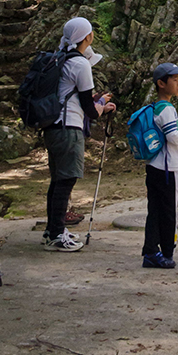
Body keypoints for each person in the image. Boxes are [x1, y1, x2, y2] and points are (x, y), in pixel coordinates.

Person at [42, 16, 115, 252]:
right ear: (88, 37)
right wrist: (102, 104)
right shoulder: (81, 64)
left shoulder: (59, 59)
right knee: (66, 180)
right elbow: (89, 110)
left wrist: (96, 103)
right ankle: (55, 234)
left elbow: (72, 95)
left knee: (58, 180)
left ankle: (53, 230)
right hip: (68, 128)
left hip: (52, 126)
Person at [141, 62, 178, 269]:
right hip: (168, 169)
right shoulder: (167, 109)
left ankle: (151, 251)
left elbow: (168, 135)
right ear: (161, 83)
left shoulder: (157, 107)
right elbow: (172, 137)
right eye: (174, 79)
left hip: (154, 166)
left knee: (155, 210)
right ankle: (166, 251)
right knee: (168, 211)